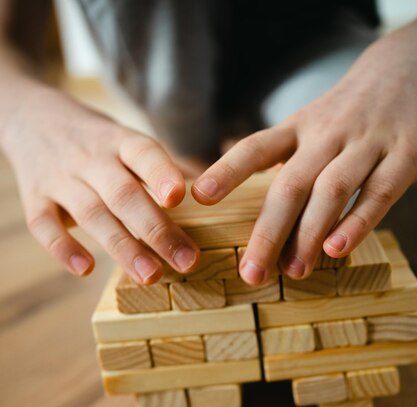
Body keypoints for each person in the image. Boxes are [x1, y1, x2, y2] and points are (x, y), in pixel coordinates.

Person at [0, 1, 416, 286]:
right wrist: (21, 112)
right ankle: (190, 145)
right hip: (169, 108)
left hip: (311, 46)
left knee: (371, 204)